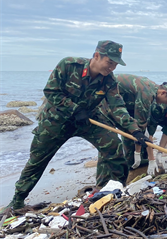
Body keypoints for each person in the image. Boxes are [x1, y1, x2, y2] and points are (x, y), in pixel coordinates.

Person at [3, 40, 150, 211]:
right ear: (96, 56)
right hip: (57, 120)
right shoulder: (68, 65)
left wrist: (135, 131)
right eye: (110, 62)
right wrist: (74, 109)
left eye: (115, 64)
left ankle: (107, 191)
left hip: (88, 119)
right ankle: (17, 202)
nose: (112, 68)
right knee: (38, 160)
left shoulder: (109, 80)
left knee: (113, 145)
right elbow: (51, 91)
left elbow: (117, 107)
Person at [97, 74, 167, 176]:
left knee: (133, 132)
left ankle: (137, 162)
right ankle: (106, 179)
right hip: (104, 102)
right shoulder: (147, 94)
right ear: (163, 93)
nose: (166, 104)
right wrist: (140, 154)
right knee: (111, 141)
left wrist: (155, 155)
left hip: (123, 105)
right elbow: (140, 126)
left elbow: (143, 128)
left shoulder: (153, 90)